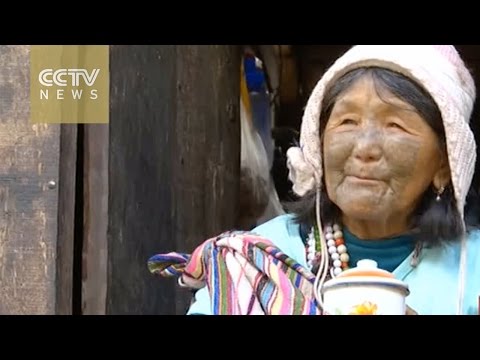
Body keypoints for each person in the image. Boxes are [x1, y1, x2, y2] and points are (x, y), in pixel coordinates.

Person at [149, 45, 480, 315]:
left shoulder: (472, 269)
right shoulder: (257, 259)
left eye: (396, 126)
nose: (363, 148)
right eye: (347, 121)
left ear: (444, 164)